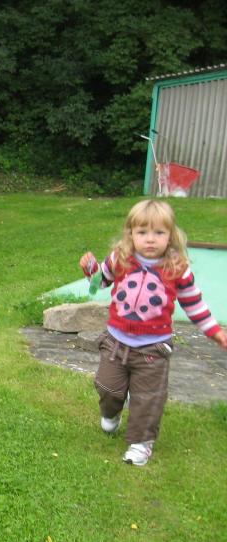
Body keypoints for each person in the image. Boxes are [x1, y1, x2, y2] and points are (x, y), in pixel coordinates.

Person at [79, 199, 226, 466]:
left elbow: (194, 304)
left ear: (170, 236)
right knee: (107, 386)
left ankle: (141, 444)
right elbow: (101, 282)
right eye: (142, 232)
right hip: (116, 342)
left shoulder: (176, 268)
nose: (150, 239)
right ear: (130, 234)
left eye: (159, 232)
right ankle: (112, 412)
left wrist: (215, 331)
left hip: (153, 349)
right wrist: (91, 271)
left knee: (148, 398)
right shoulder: (120, 257)